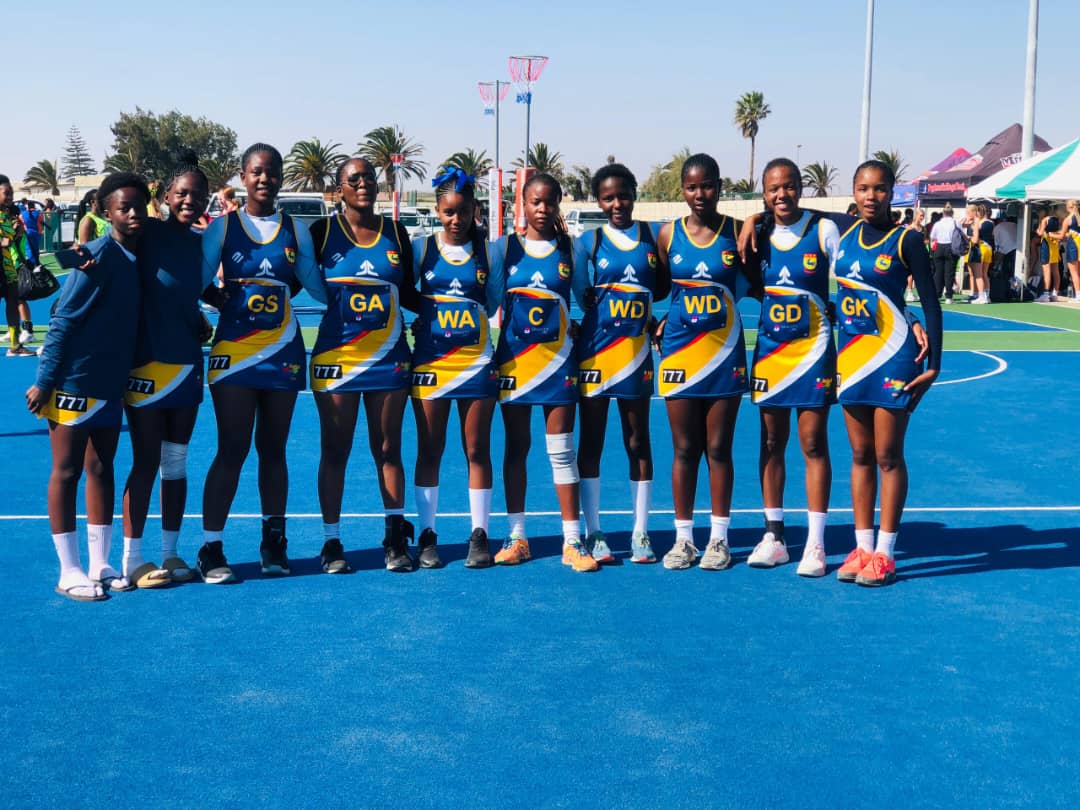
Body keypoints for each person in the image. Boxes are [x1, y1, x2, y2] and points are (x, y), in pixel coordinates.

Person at [195, 143, 327, 584]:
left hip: (283, 351)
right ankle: (211, 547)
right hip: (234, 354)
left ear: (281, 177)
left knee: (274, 450)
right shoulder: (223, 227)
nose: (264, 179)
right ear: (242, 176)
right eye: (256, 171)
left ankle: (274, 542)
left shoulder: (296, 230)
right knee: (232, 449)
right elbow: (195, 282)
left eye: (272, 172)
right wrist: (215, 299)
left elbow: (316, 285)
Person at [25, 172, 148, 601]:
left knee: (101, 468)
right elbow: (62, 319)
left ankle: (100, 563)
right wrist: (45, 382)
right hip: (73, 381)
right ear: (106, 213)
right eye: (123, 208)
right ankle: (69, 570)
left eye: (139, 206)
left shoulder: (136, 254)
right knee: (67, 470)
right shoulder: (96, 257)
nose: (133, 214)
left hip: (110, 384)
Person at [833, 160, 941, 586]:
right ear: (853, 191)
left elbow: (930, 301)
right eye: (863, 188)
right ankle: (862, 547)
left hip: (895, 358)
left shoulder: (906, 239)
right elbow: (787, 212)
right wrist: (756, 219)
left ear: (892, 193)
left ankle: (886, 553)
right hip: (851, 358)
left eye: (879, 189)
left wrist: (935, 365)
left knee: (887, 455)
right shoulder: (841, 232)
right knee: (859, 455)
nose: (870, 196)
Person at [308, 157, 418, 574]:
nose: (363, 184)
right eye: (353, 179)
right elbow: (291, 280)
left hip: (389, 358)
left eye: (369, 177)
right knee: (335, 450)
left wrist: (454, 306)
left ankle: (395, 538)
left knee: (388, 449)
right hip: (337, 358)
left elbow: (410, 291)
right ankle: (331, 542)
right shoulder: (322, 233)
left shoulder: (396, 232)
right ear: (339, 189)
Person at [744, 157, 839, 577]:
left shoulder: (822, 229)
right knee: (770, 442)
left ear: (801, 188)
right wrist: (751, 219)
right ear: (764, 194)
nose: (781, 194)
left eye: (788, 186)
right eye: (773, 188)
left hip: (814, 351)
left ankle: (816, 544)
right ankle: (775, 537)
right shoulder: (758, 233)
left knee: (813, 442)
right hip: (771, 352)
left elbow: (856, 278)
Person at [654, 154, 749, 571]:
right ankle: (683, 540)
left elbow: (764, 283)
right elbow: (660, 288)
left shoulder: (738, 231)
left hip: (724, 353)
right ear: (682, 189)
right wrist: (657, 321)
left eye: (707, 185)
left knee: (718, 448)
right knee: (684, 448)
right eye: (692, 186)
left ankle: (719, 539)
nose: (700, 194)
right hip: (679, 353)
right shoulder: (667, 234)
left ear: (719, 186)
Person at [489, 172, 589, 567]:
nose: (543, 209)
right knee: (516, 449)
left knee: (562, 451)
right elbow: (488, 300)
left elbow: (587, 298)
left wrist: (580, 325)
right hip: (515, 362)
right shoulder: (504, 249)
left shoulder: (571, 250)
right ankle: (517, 537)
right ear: (523, 204)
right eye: (535, 202)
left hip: (559, 363)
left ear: (558, 204)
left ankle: (573, 541)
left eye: (550, 202)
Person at [120, 158, 211, 588]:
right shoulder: (146, 233)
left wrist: (205, 310)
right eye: (182, 193)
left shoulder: (201, 243)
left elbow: (188, 291)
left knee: (176, 463)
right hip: (146, 365)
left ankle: (170, 553)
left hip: (188, 364)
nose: (190, 200)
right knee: (145, 461)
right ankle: (133, 559)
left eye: (198, 194)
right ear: (166, 196)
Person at [574, 163, 669, 569]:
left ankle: (640, 531)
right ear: (598, 201)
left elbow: (673, 282)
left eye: (623, 195)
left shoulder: (654, 236)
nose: (617, 203)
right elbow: (575, 289)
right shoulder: (589, 241)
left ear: (635, 193)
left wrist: (660, 319)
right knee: (592, 442)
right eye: (608, 198)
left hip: (636, 356)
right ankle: (594, 531)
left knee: (637, 440)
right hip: (595, 354)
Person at [410, 168, 499, 569]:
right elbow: (404, 293)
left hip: (476, 362)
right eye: (448, 212)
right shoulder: (421, 249)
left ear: (475, 210)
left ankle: (479, 534)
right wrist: (427, 317)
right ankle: (427, 535)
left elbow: (492, 302)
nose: (456, 219)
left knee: (477, 450)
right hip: (431, 363)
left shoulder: (489, 253)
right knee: (430, 449)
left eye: (464, 212)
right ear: (437, 211)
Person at [0, 178, 35, 357]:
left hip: (8, 268)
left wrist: (17, 233)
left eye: (11, 193)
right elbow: (3, 242)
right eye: (6, 193)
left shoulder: (7, 216)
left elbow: (9, 242)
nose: (10, 197)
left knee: (13, 304)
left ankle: (15, 345)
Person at [929, 203, 961, 304]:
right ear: (952, 213)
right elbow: (961, 234)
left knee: (938, 272)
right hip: (951, 247)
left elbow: (932, 237)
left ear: (943, 213)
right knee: (949, 273)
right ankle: (949, 296)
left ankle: (937, 295)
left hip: (939, 247)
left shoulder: (938, 224)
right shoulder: (955, 222)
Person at [966, 203, 993, 304]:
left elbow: (975, 239)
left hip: (980, 248)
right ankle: (987, 296)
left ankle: (981, 296)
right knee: (984, 274)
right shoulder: (990, 223)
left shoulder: (979, 222)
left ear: (979, 212)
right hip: (988, 248)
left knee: (978, 275)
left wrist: (969, 237)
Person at [1055, 200, 1080, 301]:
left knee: (1074, 272)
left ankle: (1078, 295)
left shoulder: (1068, 219)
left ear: (1068, 207)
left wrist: (1051, 234)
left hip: (1073, 246)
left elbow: (1061, 236)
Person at [1036, 208, 1061, 302]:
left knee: (1047, 270)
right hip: (1055, 246)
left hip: (1046, 246)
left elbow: (1040, 233)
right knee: (1055, 271)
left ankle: (1045, 294)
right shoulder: (1058, 219)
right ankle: (1055, 293)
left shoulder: (1044, 220)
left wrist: (1039, 221)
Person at [20, 200, 42, 264]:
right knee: (36, 247)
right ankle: (37, 261)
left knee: (29, 248)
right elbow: (40, 220)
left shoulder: (23, 214)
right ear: (34, 206)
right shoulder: (38, 213)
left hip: (27, 232)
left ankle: (32, 262)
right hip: (36, 232)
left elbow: (20, 219)